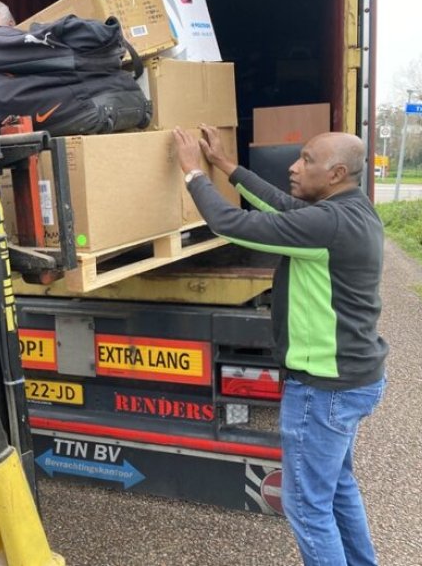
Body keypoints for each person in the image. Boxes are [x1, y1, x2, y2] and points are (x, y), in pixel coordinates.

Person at [173, 125, 388, 566]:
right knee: (337, 487)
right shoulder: (353, 210)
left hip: (323, 387)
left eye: (306, 159)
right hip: (352, 378)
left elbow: (229, 223)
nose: (294, 166)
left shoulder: (327, 224)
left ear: (337, 173)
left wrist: (193, 172)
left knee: (307, 506)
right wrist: (227, 167)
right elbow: (286, 206)